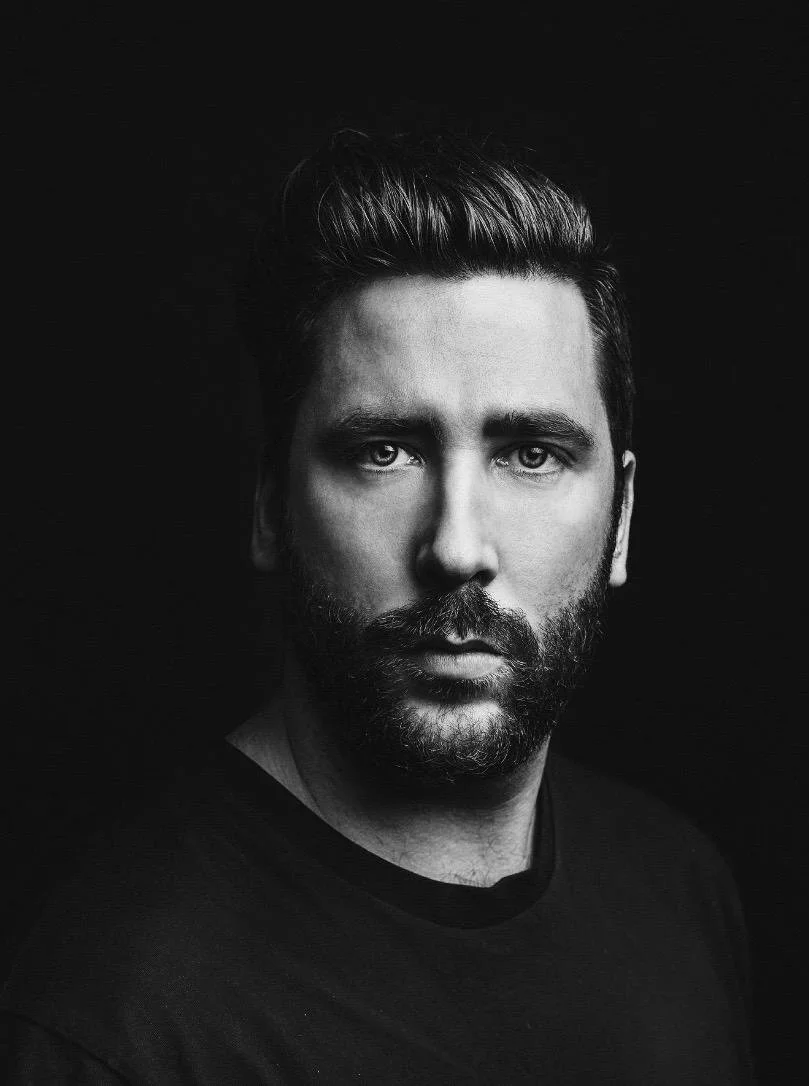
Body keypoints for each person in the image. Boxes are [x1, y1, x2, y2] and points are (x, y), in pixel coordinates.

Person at [1, 130, 754, 1083]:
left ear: (623, 517)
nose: (457, 547)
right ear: (270, 506)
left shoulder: (679, 885)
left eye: (531, 455)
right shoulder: (113, 1024)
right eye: (383, 452)